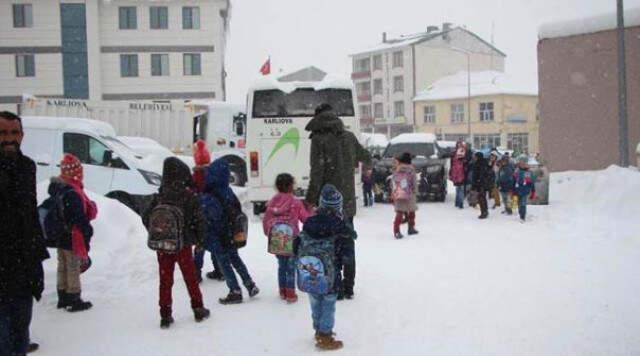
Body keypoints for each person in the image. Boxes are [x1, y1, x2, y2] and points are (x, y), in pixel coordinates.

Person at [305, 103, 371, 300]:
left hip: (328, 203)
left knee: (329, 244)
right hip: (347, 202)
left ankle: (335, 285)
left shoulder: (319, 140)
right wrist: (365, 168)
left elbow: (317, 172)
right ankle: (348, 286)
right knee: (347, 242)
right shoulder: (349, 137)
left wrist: (310, 198)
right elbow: (366, 156)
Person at [0, 111, 49, 355]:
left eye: (14, 133)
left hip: (22, 269)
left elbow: (30, 218)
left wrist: (36, 265)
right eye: (3, 133)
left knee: (19, 337)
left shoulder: (27, 167)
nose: (9, 139)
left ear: (22, 135)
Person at [143, 157, 210, 329]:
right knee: (190, 277)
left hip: (164, 245)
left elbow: (146, 218)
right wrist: (199, 240)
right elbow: (199, 220)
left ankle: (165, 315)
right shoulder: (188, 196)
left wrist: (160, 232)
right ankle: (198, 308)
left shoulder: (159, 196)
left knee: (165, 280)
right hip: (183, 244)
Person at [295, 185, 353, 350]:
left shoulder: (309, 222)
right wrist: (345, 261)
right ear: (338, 207)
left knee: (315, 299)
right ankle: (325, 335)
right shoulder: (340, 225)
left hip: (309, 269)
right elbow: (346, 252)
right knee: (328, 302)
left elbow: (297, 242)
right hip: (330, 272)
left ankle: (318, 330)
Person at [201, 159, 259, 304]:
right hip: (231, 233)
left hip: (218, 236)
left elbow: (211, 219)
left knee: (224, 262)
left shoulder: (209, 196)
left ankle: (235, 290)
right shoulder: (227, 190)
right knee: (236, 259)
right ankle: (250, 284)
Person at [47, 154, 97, 313]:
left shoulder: (58, 188)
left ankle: (62, 296)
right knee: (73, 266)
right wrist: (87, 230)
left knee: (62, 266)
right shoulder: (73, 192)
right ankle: (74, 298)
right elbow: (78, 217)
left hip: (60, 235)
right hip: (72, 236)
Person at [263, 173, 312, 303]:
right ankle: (290, 293)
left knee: (281, 265)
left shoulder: (272, 203)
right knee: (291, 266)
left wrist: (269, 234)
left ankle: (282, 291)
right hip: (292, 238)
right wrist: (311, 212)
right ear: (291, 186)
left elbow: (266, 220)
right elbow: (305, 219)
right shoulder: (295, 202)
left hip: (277, 238)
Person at [191, 140, 224, 283]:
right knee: (216, 244)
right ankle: (219, 270)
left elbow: (191, 193)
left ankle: (196, 272)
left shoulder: (194, 177)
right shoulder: (213, 175)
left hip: (199, 216)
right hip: (214, 215)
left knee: (200, 244)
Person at [392, 153, 418, 239]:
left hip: (399, 192)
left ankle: (396, 231)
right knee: (411, 211)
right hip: (409, 193)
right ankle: (411, 228)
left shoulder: (397, 169)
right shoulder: (411, 169)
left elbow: (393, 181)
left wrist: (394, 192)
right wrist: (415, 191)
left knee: (399, 212)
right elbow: (414, 181)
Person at [513, 155, 537, 223]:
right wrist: (512, 189)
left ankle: (522, 216)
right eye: (521, 162)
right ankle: (521, 213)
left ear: (526, 163)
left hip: (524, 190)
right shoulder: (516, 171)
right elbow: (513, 180)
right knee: (519, 203)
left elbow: (531, 182)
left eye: (524, 162)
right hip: (517, 190)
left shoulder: (528, 172)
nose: (522, 164)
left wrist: (533, 191)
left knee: (523, 203)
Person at [471, 151, 492, 219]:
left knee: (481, 198)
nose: (474, 158)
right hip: (480, 184)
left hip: (481, 184)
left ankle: (484, 212)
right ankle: (484, 211)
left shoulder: (481, 164)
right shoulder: (478, 163)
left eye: (475, 157)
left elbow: (481, 175)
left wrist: (478, 182)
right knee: (481, 198)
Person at [449, 140, 467, 209]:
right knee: (460, 188)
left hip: (456, 173)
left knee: (458, 188)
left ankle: (458, 202)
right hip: (460, 173)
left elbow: (451, 164)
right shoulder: (462, 152)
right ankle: (460, 203)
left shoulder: (454, 153)